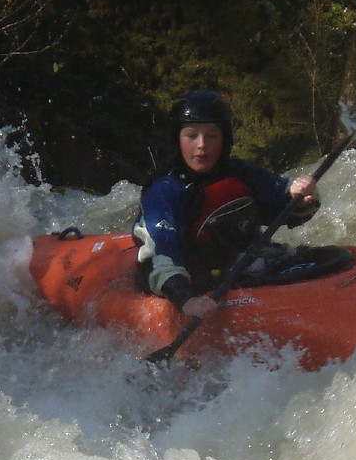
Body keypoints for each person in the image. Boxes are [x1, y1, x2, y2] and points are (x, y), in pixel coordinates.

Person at [134, 89, 325, 320]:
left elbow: (283, 207)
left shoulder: (239, 173)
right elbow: (160, 255)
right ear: (177, 139)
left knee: (332, 257)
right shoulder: (165, 190)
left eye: (212, 136)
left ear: (225, 140)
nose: (202, 145)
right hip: (193, 278)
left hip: (243, 264)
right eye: (192, 136)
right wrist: (187, 299)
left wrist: (301, 197)